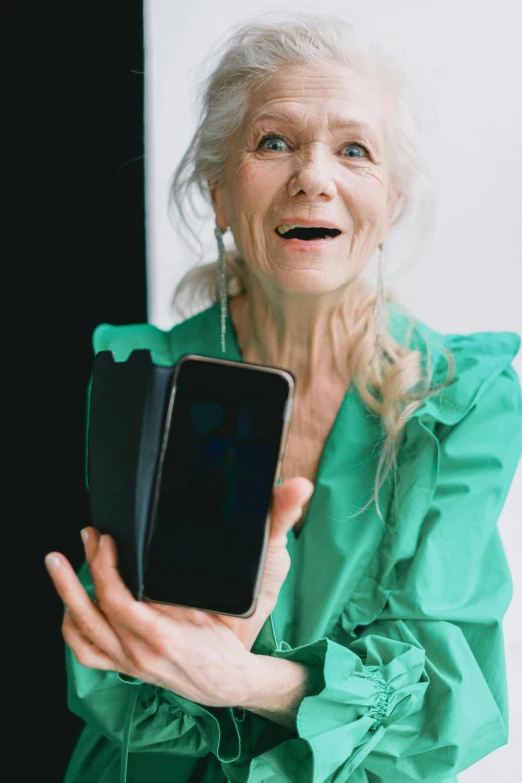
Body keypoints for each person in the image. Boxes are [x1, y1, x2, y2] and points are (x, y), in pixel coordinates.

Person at [45, 13, 522, 783]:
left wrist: (243, 678)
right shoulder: (142, 374)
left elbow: (443, 707)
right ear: (220, 194)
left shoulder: (462, 401)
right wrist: (149, 651)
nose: (314, 176)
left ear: (390, 200)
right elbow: (120, 686)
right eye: (274, 141)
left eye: (354, 150)